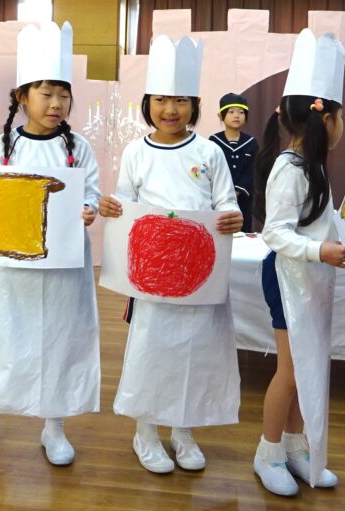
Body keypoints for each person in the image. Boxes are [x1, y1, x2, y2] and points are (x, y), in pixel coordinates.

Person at [0, 21, 101, 467]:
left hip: (62, 267)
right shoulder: (5, 145)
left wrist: (88, 209)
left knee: (58, 338)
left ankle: (54, 426)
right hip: (10, 267)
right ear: (22, 97)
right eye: (46, 93)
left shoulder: (78, 148)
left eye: (63, 94)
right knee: (1, 337)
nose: (56, 104)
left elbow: (90, 193)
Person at [99, 34, 243, 474]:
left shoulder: (209, 152)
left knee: (195, 352)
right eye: (162, 99)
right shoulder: (136, 151)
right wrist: (112, 208)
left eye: (181, 100)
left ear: (194, 105)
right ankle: (145, 431)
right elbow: (125, 202)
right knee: (151, 350)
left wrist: (232, 215)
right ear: (148, 103)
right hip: (153, 277)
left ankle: (183, 430)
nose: (171, 109)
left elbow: (225, 200)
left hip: (199, 274)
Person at [254, 29, 345, 497]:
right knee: (290, 372)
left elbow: (310, 221)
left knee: (306, 367)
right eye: (341, 116)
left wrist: (344, 224)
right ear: (324, 119)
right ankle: (268, 452)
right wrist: (320, 250)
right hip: (287, 279)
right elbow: (276, 233)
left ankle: (294, 446)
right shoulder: (287, 169)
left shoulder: (312, 165)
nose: (342, 125)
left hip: (308, 278)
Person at [209, 92, 257, 231]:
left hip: (242, 198)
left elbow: (252, 170)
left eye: (241, 112)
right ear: (220, 116)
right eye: (231, 112)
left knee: (242, 229)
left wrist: (237, 190)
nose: (236, 116)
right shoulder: (213, 141)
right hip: (218, 197)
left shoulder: (251, 142)